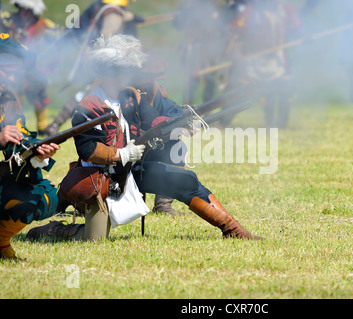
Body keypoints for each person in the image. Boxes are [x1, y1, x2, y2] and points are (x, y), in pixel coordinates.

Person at [27, 34, 262, 241]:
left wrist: (178, 126)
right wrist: (122, 153)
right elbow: (88, 150)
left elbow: (152, 122)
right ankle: (56, 230)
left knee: (185, 181)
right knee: (95, 239)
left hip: (130, 170)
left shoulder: (130, 97)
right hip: (100, 178)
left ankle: (232, 229)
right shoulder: (90, 105)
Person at [43, 0, 145, 137]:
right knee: (84, 92)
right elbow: (113, 34)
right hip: (108, 62)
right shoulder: (112, 12)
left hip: (102, 59)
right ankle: (56, 124)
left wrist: (133, 18)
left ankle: (56, 124)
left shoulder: (99, 7)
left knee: (84, 91)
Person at [0, 33, 60, 260]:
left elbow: (20, 138)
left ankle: (1, 244)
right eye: (7, 68)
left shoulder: (9, 99)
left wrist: (38, 151)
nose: (13, 75)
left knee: (43, 196)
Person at [220, 0, 302, 128]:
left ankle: (281, 124)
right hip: (253, 62)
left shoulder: (285, 10)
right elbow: (235, 32)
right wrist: (237, 55)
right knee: (238, 91)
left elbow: (296, 28)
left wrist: (304, 36)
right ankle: (224, 121)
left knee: (285, 88)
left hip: (278, 61)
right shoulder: (250, 12)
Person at [0, 0, 62, 134]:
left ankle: (42, 126)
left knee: (40, 93)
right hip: (10, 66)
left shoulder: (45, 26)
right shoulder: (9, 18)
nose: (24, 12)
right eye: (22, 8)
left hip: (33, 66)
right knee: (12, 95)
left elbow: (58, 43)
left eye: (28, 10)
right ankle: (13, 124)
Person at [173, 0, 228, 106]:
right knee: (192, 80)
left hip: (211, 47)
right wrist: (184, 16)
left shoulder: (216, 5)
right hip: (193, 47)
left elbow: (224, 25)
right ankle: (187, 110)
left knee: (210, 79)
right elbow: (177, 24)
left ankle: (207, 109)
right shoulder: (187, 4)